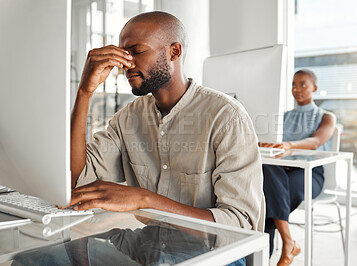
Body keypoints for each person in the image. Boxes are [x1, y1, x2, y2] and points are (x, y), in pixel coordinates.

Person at [68, 11, 264, 233]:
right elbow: (78, 179)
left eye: (137, 51)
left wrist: (145, 200)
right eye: (123, 54)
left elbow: (240, 224)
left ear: (174, 52)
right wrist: (85, 92)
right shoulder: (128, 118)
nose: (126, 64)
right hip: (146, 245)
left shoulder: (226, 117)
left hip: (210, 253)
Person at [258, 69, 336, 266]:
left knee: (268, 200)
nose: (297, 89)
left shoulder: (326, 116)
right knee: (268, 172)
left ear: (314, 88)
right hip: (280, 170)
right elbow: (274, 144)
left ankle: (264, 257)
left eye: (303, 84)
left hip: (310, 173)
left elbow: (317, 141)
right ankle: (288, 243)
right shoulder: (283, 116)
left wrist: (289, 145)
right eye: (294, 84)